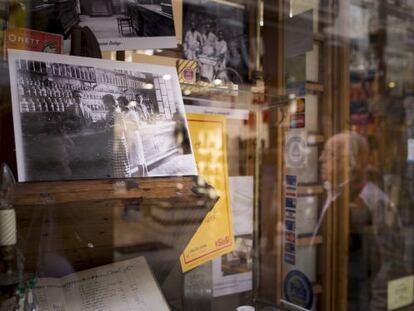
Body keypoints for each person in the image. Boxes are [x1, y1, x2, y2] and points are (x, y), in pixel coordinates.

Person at [315, 131, 405, 311]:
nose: (321, 159)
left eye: (330, 154)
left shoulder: (375, 202)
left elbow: (391, 266)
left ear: (351, 162)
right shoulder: (329, 194)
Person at [118, 96, 148, 176]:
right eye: (118, 103)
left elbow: (137, 126)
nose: (119, 105)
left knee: (139, 158)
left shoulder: (132, 113)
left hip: (134, 137)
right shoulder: (122, 113)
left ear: (125, 103)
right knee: (135, 158)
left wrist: (125, 123)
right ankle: (145, 175)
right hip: (128, 138)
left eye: (121, 103)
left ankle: (142, 177)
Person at [103, 94, 130, 178]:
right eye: (104, 103)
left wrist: (111, 127)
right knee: (114, 165)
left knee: (122, 164)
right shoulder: (108, 114)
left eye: (107, 102)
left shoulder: (118, 112)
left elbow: (124, 127)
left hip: (119, 141)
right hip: (111, 141)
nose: (105, 105)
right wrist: (106, 128)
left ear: (112, 102)